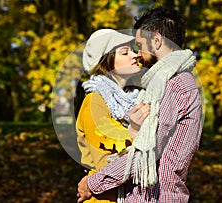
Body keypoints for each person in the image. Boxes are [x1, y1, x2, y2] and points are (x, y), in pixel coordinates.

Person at [77, 6, 203, 203]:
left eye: (139, 45)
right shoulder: (159, 86)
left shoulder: (174, 85)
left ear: (156, 40)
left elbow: (145, 154)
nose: (138, 54)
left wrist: (92, 184)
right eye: (126, 51)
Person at [75, 29, 150, 203]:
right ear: (106, 62)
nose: (134, 56)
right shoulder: (95, 102)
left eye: (132, 50)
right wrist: (133, 130)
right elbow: (105, 163)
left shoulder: (137, 99)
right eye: (125, 52)